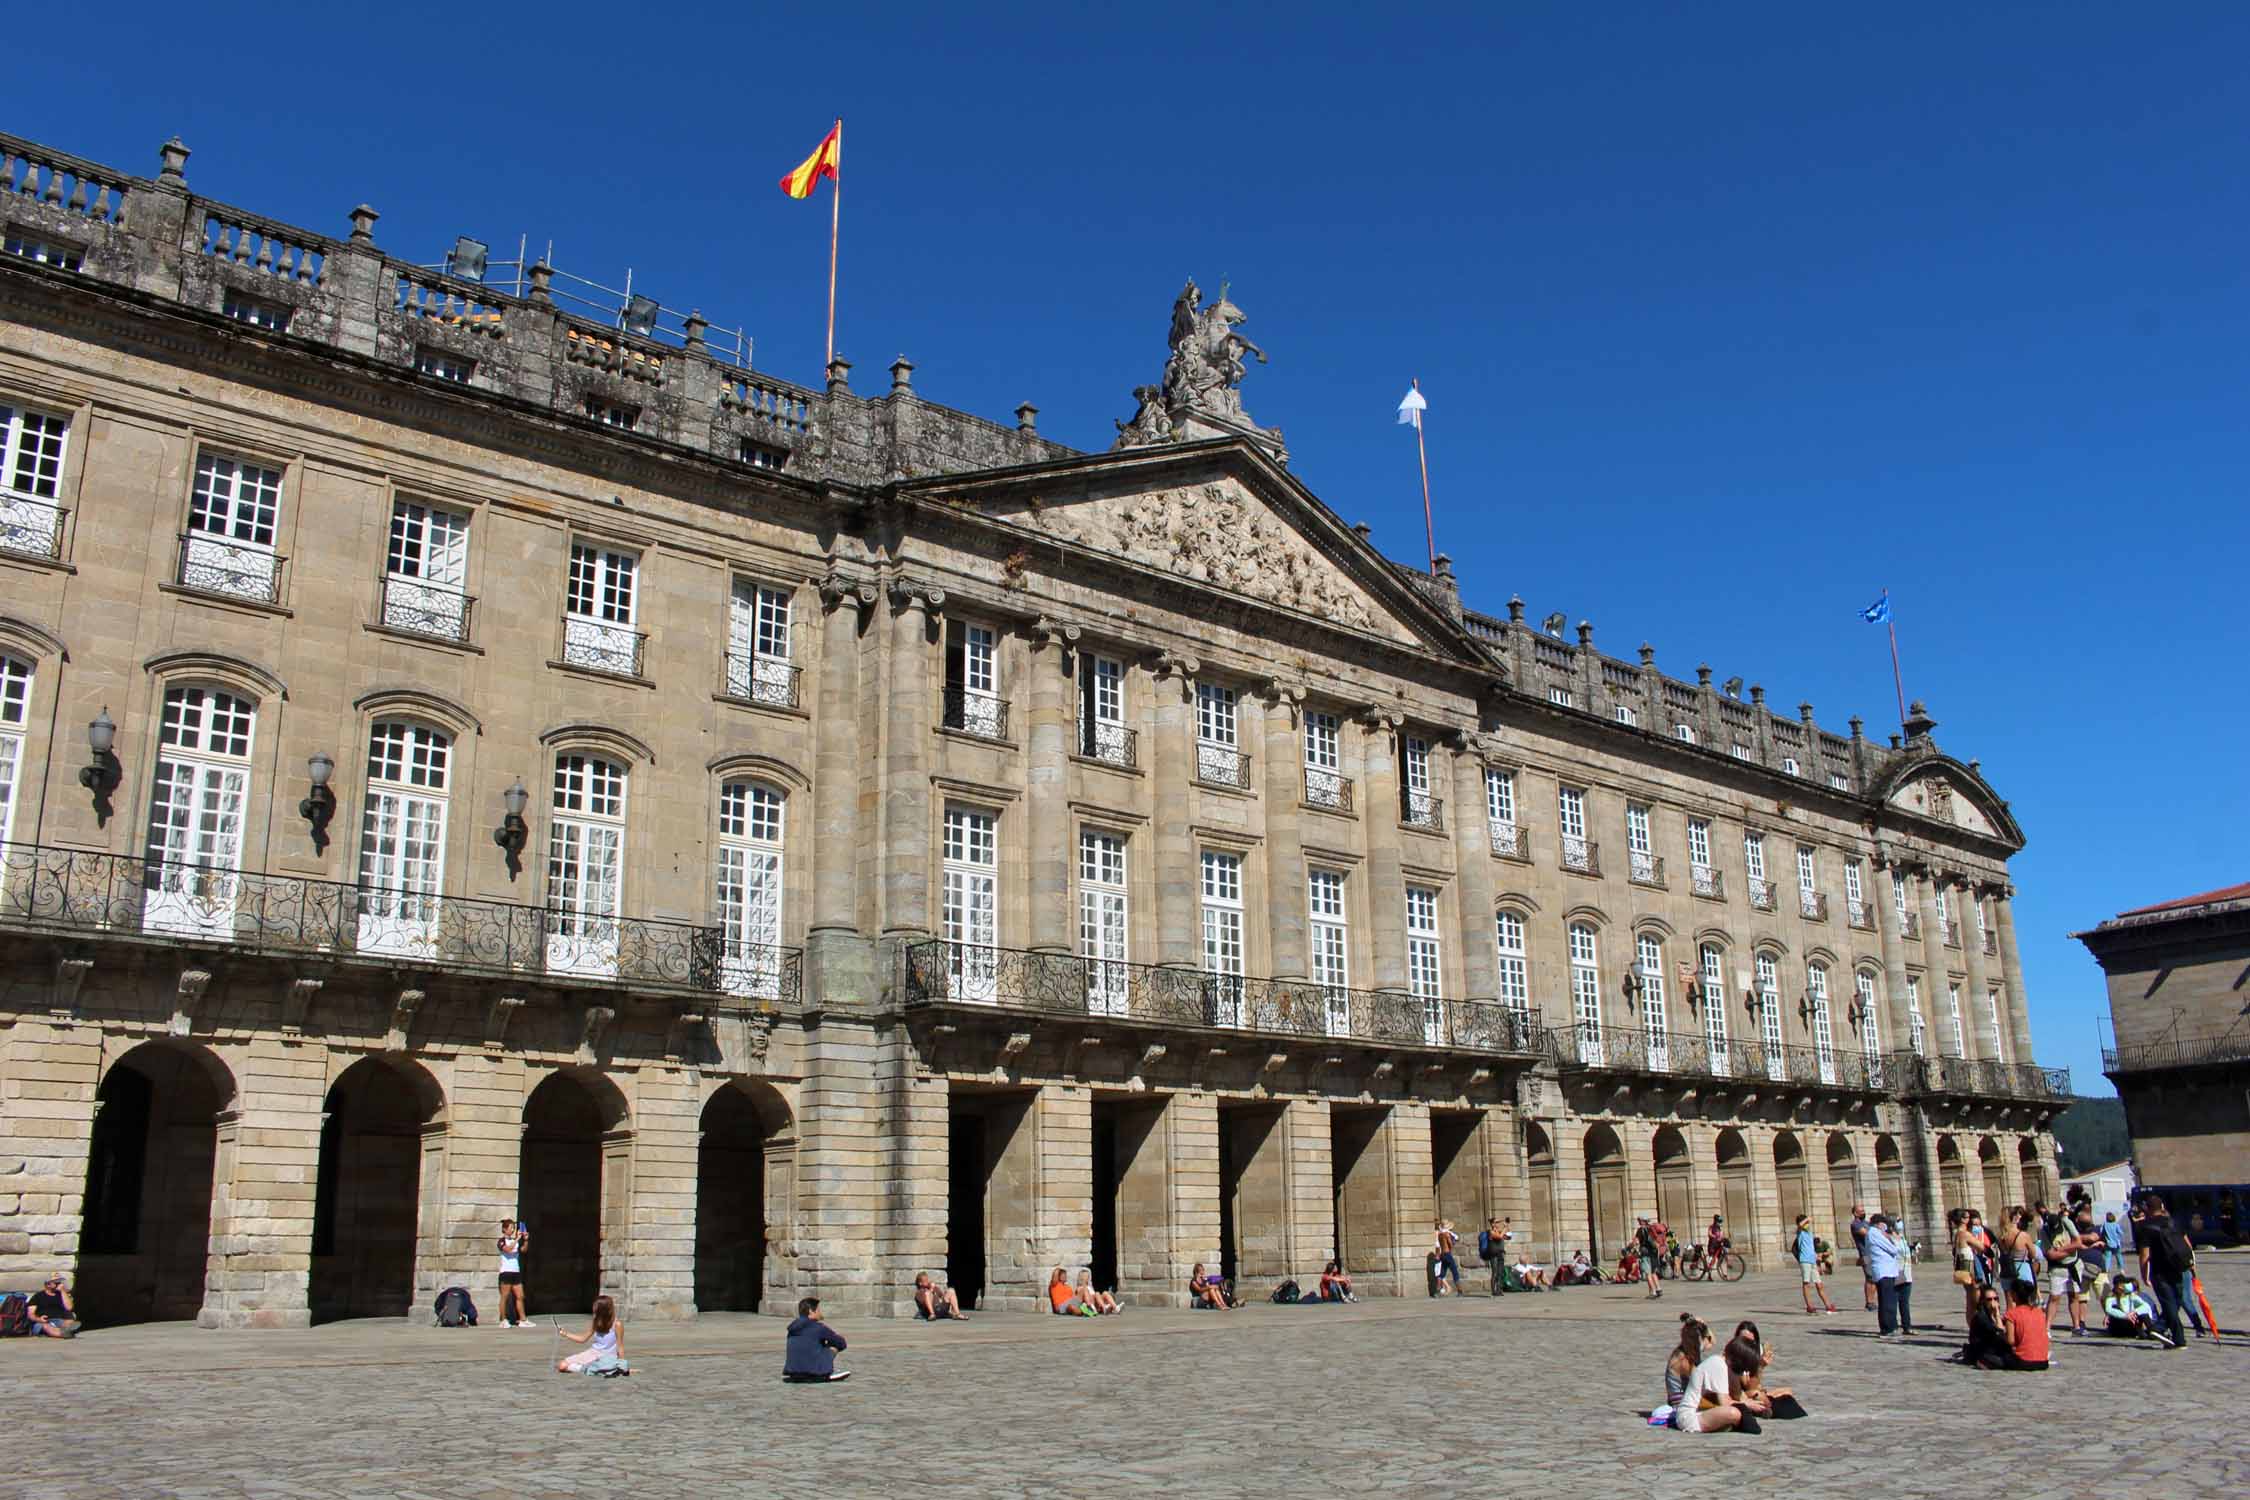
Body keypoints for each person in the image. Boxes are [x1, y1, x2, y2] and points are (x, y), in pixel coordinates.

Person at [1668, 1316, 1759, 1433]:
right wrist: (1747, 1404)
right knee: (1733, 1413)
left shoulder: (1720, 1362)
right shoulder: (1718, 1364)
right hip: (1689, 1419)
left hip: (1699, 1411)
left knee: (1736, 1412)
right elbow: (1725, 1403)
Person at [2135, 1196, 2194, 1350]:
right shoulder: (2173, 1222)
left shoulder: (2144, 1227)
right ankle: (2169, 1333)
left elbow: (2145, 1254)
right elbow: (2187, 1245)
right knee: (2176, 1301)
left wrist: (2144, 1274)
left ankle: (2162, 1330)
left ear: (2147, 1209)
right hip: (2178, 1267)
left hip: (2159, 1270)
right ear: (2162, 1206)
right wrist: (2192, 1265)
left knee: (2169, 1303)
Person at [554, 1294, 628, 1376]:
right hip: (593, 1352)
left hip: (607, 1357)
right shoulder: (596, 1322)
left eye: (595, 1308)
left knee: (563, 1366)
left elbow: (620, 1347)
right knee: (562, 1365)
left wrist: (623, 1366)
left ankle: (594, 1368)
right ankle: (591, 1369)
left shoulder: (617, 1324)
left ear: (603, 1310)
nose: (593, 1310)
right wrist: (565, 1334)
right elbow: (583, 1339)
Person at [1864, 1212, 1910, 1337]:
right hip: (1884, 1270)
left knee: (1888, 1299)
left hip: (1887, 1270)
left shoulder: (1874, 1233)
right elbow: (1894, 1249)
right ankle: (1888, 1328)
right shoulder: (1874, 1233)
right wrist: (1890, 1237)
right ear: (1879, 1224)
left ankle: (1889, 1326)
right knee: (1887, 1301)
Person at [784, 1296, 850, 1382]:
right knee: (833, 1345)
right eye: (819, 1310)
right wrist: (826, 1344)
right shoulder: (818, 1328)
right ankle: (824, 1370)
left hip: (793, 1372)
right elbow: (842, 1343)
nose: (820, 1312)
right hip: (814, 1373)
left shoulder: (792, 1329)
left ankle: (806, 1370)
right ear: (811, 1311)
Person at [1999, 1279, 2050, 1371]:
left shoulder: (2012, 1314)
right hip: (2043, 1362)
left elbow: (2011, 1341)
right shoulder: (2039, 1313)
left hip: (2023, 1362)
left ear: (2014, 1294)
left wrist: (2001, 1334)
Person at [1958, 1285, 2011, 1368]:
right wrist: (1997, 1313)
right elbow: (2000, 1332)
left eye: (1995, 1298)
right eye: (1989, 1299)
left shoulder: (1993, 1316)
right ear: (1983, 1301)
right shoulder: (1981, 1318)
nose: (1993, 1302)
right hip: (1982, 1352)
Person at [1794, 1215, 1837, 1314]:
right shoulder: (1800, 1232)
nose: (1808, 1224)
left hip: (1812, 1260)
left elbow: (1810, 1247)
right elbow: (1800, 1225)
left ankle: (1828, 1305)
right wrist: (1807, 1219)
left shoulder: (1809, 1233)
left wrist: (1816, 1257)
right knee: (1806, 1283)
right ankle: (1810, 1306)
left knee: (1819, 1284)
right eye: (1806, 1223)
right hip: (1805, 1260)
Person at [2104, 1278, 2168, 1343]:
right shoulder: (2112, 1298)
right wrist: (2125, 1316)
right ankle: (2152, 1333)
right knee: (2116, 1309)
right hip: (2120, 1326)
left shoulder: (2132, 1296)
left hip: (2133, 1324)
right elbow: (2108, 1309)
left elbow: (2146, 1306)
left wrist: (2134, 1312)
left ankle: (2152, 1333)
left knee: (2144, 1315)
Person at [496, 1218, 532, 1329]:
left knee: (520, 1296)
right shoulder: (501, 1241)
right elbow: (508, 1250)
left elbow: (524, 1250)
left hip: (516, 1272)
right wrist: (517, 1239)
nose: (513, 1230)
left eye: (513, 1228)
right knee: (505, 1297)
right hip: (506, 1272)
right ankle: (503, 1320)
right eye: (511, 1228)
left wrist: (525, 1240)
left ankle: (523, 1320)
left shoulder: (515, 1241)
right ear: (505, 1229)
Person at [1850, 1204, 1875, 1310]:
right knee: (1869, 1278)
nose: (1863, 1213)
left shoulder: (1866, 1223)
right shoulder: (1855, 1224)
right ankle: (1869, 1302)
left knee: (1874, 1277)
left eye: (1863, 1211)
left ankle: (1873, 1301)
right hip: (1865, 1254)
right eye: (1861, 1211)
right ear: (1855, 1213)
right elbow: (1867, 1234)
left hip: (1873, 1253)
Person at [1479, 1217, 1511, 1296]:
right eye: (1496, 1222)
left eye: (1498, 1222)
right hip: (1494, 1255)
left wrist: (1507, 1227)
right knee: (1495, 1272)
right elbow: (1499, 1237)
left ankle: (1499, 1290)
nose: (1498, 1224)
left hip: (1500, 1254)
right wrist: (1504, 1229)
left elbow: (1509, 1237)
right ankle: (1494, 1291)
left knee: (1500, 1272)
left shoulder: (1500, 1231)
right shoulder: (1491, 1232)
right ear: (1492, 1224)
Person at [1430, 1219, 1461, 1297]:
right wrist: (1453, 1242)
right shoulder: (1447, 1234)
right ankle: (1460, 1290)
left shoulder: (1440, 1234)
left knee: (1441, 1273)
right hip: (1447, 1254)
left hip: (1442, 1255)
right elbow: (1450, 1245)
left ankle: (1437, 1292)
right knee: (1455, 1272)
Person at [1635, 1217, 1662, 1300]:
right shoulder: (1651, 1228)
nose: (1638, 1222)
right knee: (1653, 1272)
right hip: (1653, 1253)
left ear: (1643, 1221)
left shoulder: (1640, 1230)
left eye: (1639, 1220)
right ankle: (1658, 1289)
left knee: (1648, 1273)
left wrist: (1631, 1247)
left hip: (1645, 1253)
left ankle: (1653, 1292)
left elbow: (1636, 1241)